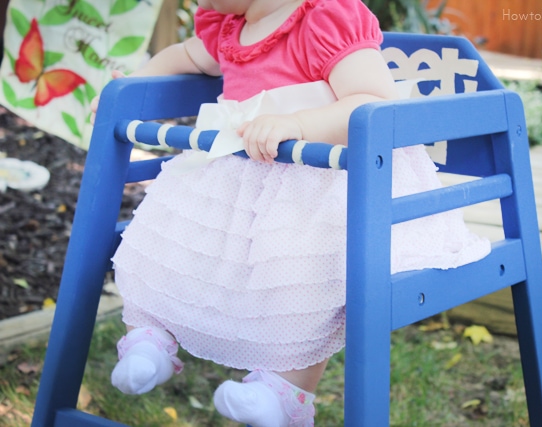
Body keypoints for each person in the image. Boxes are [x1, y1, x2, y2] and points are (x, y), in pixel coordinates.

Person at [92, 0, 491, 426]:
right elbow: (185, 56)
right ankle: (149, 338)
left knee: (299, 273)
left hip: (323, 178)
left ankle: (283, 391)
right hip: (242, 175)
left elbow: (374, 99)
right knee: (168, 238)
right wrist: (132, 85)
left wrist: (299, 124)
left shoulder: (325, 19)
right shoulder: (230, 24)